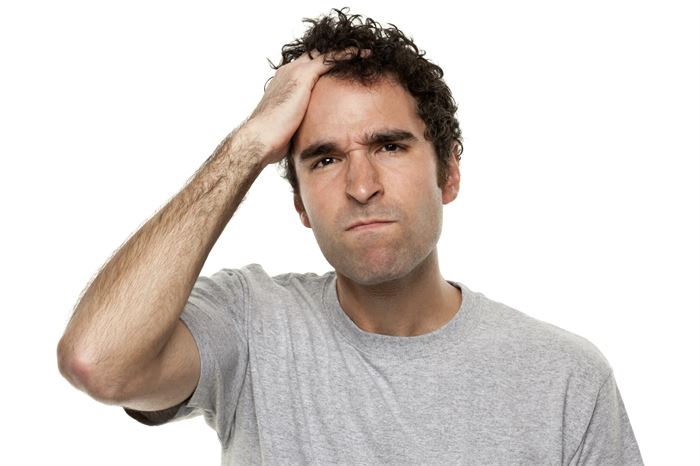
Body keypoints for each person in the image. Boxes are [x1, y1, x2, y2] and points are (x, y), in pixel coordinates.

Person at [57, 8, 644, 465]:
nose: (362, 186)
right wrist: (248, 146)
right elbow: (97, 360)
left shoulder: (565, 378)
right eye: (325, 159)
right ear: (300, 205)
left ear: (448, 173)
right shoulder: (250, 322)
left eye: (389, 146)